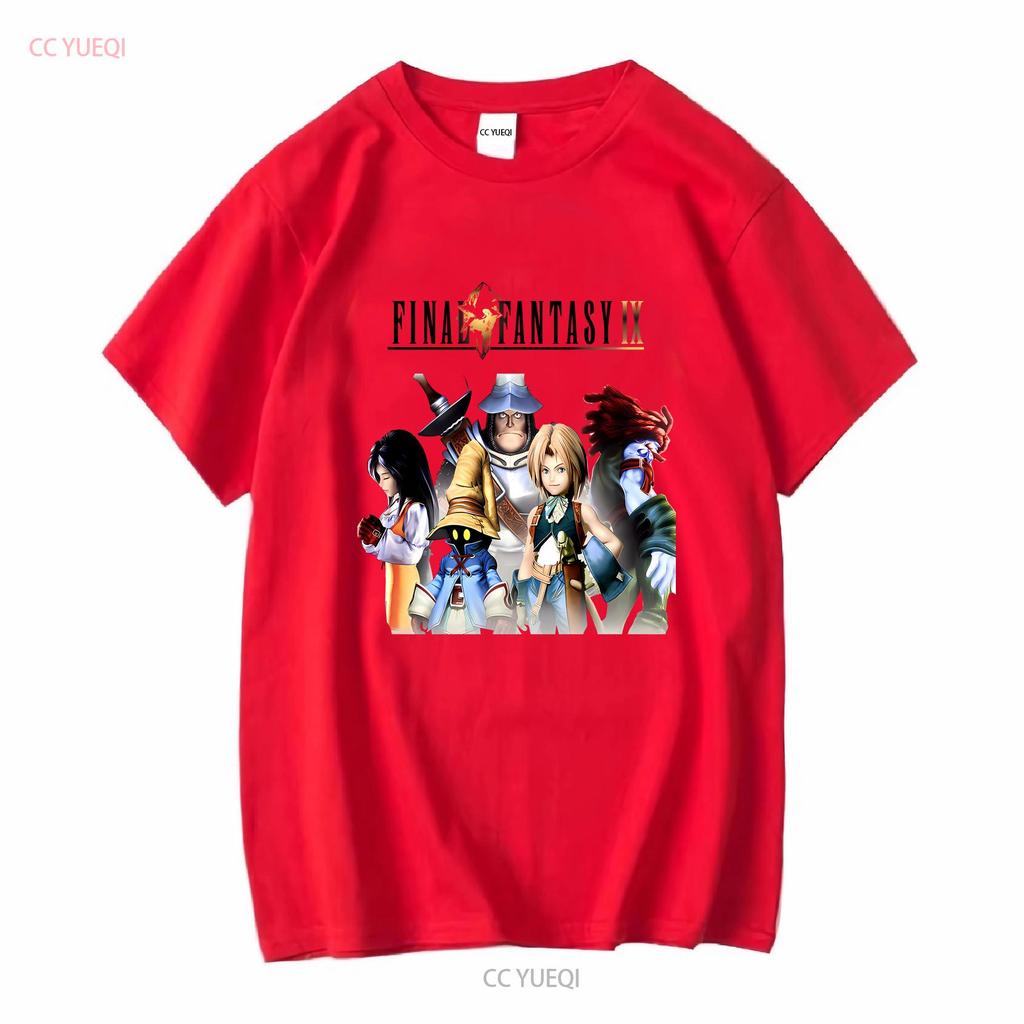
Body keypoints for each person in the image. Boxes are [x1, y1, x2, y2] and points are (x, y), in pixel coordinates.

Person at [412, 372, 543, 589]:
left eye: (518, 415)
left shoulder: (547, 451)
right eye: (502, 415)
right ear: (492, 419)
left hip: (538, 561)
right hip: (482, 561)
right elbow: (442, 510)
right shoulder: (462, 457)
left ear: (528, 419)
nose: (510, 423)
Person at [583, 386, 677, 634]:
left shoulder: (605, 461)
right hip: (638, 539)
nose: (650, 457)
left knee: (613, 624)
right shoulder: (633, 456)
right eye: (648, 447)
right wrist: (663, 533)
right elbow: (637, 494)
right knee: (653, 617)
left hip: (621, 545)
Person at [515, 423, 626, 634]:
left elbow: (614, 542)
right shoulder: (535, 514)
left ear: (574, 469)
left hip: (566, 583)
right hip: (536, 584)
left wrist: (589, 575)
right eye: (545, 470)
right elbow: (528, 558)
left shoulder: (581, 512)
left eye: (560, 469)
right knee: (537, 642)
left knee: (572, 639)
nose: (552, 478)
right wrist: (521, 602)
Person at [408, 441, 517, 635]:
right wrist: (420, 612)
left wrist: (501, 614)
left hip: (473, 618)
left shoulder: (484, 558)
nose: (458, 537)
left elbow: (493, 581)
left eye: (465, 531)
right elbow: (436, 584)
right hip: (445, 617)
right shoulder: (447, 560)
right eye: (454, 531)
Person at [358, 430, 437, 633]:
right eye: (379, 477)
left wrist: (378, 538)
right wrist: (370, 538)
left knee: (404, 628)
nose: (381, 483)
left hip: (409, 582)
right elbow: (383, 548)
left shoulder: (416, 509)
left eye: (385, 476)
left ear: (403, 471)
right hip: (394, 580)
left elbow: (413, 554)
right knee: (395, 624)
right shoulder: (397, 506)